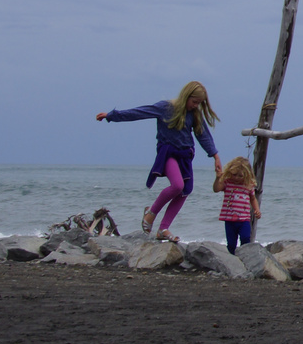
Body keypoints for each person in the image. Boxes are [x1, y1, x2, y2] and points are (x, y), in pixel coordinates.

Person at [96, 81, 221, 242]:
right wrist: (111, 116)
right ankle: (151, 213)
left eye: (199, 103)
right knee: (177, 185)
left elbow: (203, 135)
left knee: (185, 190)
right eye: (194, 102)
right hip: (168, 153)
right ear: (186, 96)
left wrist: (215, 156)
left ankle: (163, 228)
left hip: (185, 155)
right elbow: (139, 112)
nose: (196, 106)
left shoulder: (194, 114)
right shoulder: (165, 108)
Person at [213, 156, 260, 254]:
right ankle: (232, 260)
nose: (237, 178)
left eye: (240, 176)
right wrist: (218, 178)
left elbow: (253, 198)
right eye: (234, 175)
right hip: (229, 219)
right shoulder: (227, 182)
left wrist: (257, 210)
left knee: (246, 238)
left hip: (244, 219)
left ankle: (245, 255)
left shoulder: (248, 185)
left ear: (247, 175)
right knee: (231, 243)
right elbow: (216, 189)